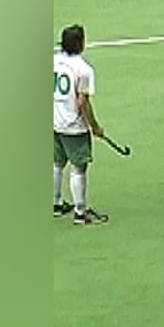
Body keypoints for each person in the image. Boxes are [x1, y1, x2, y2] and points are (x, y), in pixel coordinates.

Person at [53, 24, 108, 225]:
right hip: (73, 125)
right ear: (80, 43)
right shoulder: (83, 70)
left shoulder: (52, 61)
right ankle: (80, 211)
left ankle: (56, 203)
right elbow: (82, 101)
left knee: (57, 163)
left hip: (54, 120)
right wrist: (94, 126)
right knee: (79, 167)